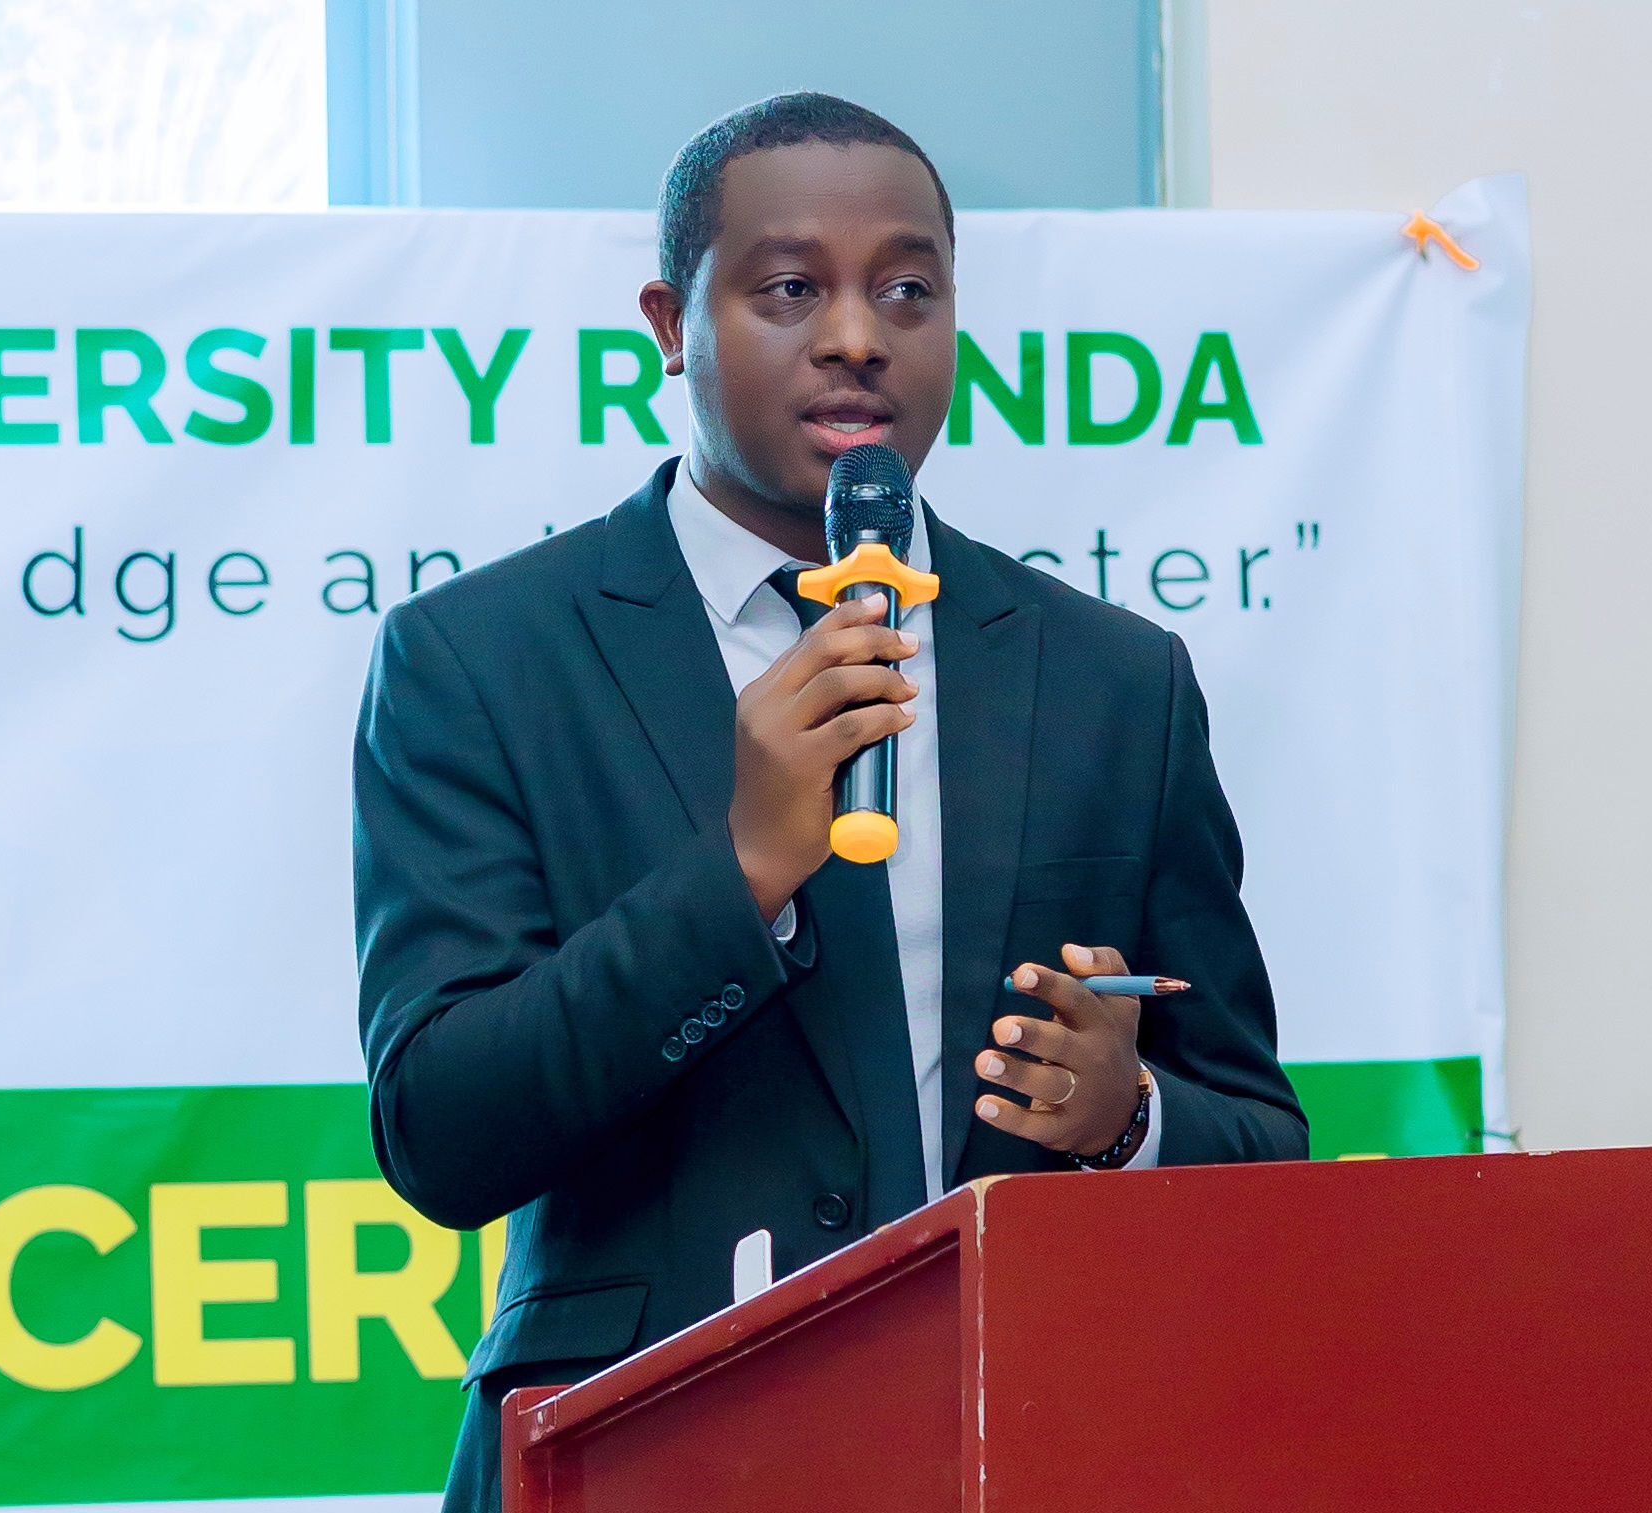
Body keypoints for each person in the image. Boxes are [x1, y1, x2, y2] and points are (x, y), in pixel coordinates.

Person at [352, 91, 1306, 1513]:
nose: (858, 336)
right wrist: (740, 871)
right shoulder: (481, 658)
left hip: (1020, 1447)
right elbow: (443, 1132)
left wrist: (1127, 1116)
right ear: (672, 324)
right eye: (791, 288)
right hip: (638, 1459)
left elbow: (1265, 1148)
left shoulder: (1112, 680)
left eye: (907, 290)